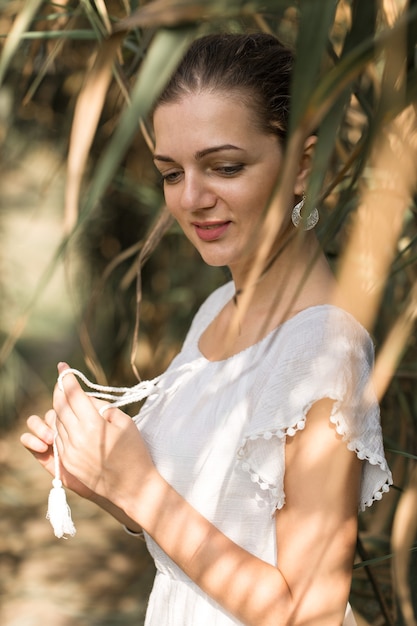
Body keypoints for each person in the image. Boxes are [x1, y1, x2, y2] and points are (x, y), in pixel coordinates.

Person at [21, 32, 392, 626]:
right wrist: (105, 479)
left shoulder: (321, 351)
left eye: (224, 167)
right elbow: (215, 526)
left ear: (302, 164)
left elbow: (313, 614)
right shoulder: (220, 307)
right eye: (171, 173)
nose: (192, 198)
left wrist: (141, 489)